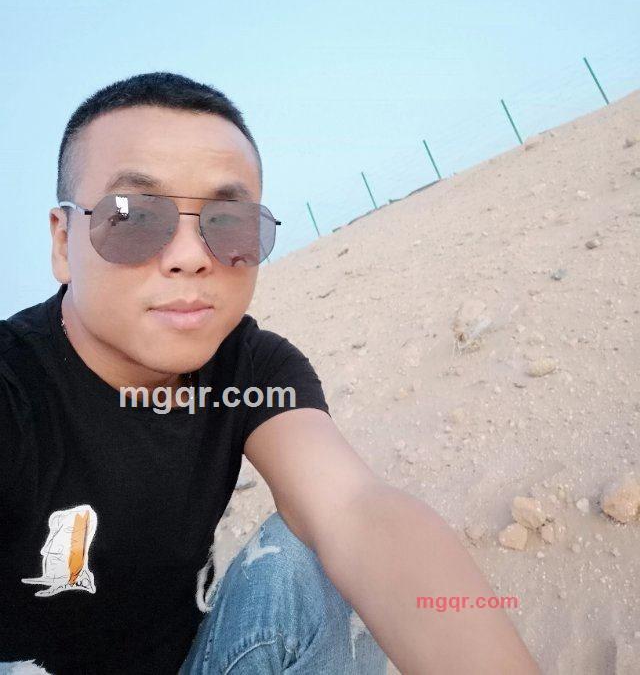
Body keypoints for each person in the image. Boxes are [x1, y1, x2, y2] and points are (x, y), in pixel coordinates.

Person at [0, 72, 541, 674]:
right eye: (133, 216)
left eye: (228, 221)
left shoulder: (250, 370)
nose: (191, 257)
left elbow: (355, 512)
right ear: (63, 241)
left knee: (316, 558)